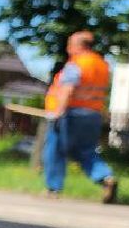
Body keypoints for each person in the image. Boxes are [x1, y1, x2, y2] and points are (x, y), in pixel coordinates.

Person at [43, 29, 117, 202]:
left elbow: (68, 89)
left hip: (70, 114)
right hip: (93, 115)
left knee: (55, 150)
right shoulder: (102, 65)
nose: (68, 48)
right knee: (86, 151)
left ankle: (53, 188)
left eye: (70, 44)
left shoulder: (76, 64)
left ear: (79, 46)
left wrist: (57, 113)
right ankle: (106, 177)